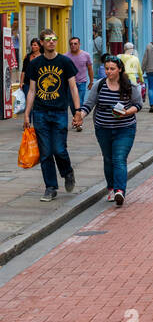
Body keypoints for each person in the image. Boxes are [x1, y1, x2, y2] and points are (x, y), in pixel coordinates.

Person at [74, 56, 140, 206]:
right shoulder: (100, 85)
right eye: (106, 68)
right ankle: (111, 188)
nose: (108, 71)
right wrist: (80, 116)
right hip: (103, 129)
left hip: (125, 129)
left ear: (120, 69)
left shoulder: (129, 85)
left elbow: (138, 104)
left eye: (112, 69)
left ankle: (119, 191)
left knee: (119, 158)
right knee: (108, 159)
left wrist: (126, 112)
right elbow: (88, 105)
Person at [23, 30, 80, 201]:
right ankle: (50, 187)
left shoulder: (65, 62)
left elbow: (73, 88)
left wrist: (77, 110)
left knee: (59, 149)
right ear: (41, 42)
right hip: (40, 113)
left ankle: (67, 172)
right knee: (46, 152)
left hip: (59, 111)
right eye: (47, 40)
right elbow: (32, 90)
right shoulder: (35, 64)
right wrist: (27, 114)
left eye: (54, 39)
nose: (51, 42)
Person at [65, 36, 94, 114]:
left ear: (79, 44)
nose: (73, 45)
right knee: (71, 103)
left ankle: (78, 120)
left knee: (79, 102)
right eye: (71, 44)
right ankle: (76, 118)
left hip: (81, 83)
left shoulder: (86, 55)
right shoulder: (65, 56)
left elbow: (90, 69)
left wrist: (91, 82)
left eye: (75, 43)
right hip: (69, 84)